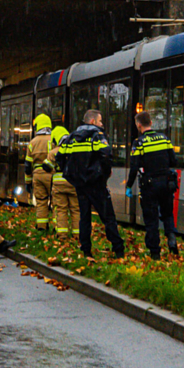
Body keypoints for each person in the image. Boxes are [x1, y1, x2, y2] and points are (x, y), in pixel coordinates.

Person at [57, 109, 125, 259]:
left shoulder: (72, 137)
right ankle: (118, 248)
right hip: (96, 183)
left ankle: (86, 249)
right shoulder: (97, 135)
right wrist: (105, 175)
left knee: (84, 217)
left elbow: (60, 156)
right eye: (100, 121)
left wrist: (71, 175)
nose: (102, 124)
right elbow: (106, 154)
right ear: (93, 121)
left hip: (80, 184)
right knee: (108, 217)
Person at [125, 111, 179, 259]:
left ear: (139, 125)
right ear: (151, 123)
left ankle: (155, 253)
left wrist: (129, 186)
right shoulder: (164, 139)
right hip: (167, 183)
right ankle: (172, 239)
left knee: (151, 219)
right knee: (167, 213)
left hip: (150, 185)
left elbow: (134, 167)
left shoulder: (139, 143)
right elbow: (174, 161)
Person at [44, 125, 79, 237]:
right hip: (74, 183)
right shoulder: (76, 150)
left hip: (59, 185)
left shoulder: (54, 152)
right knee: (76, 209)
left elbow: (47, 167)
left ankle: (62, 234)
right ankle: (77, 234)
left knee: (61, 209)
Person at [25, 114, 54, 231]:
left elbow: (28, 165)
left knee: (41, 201)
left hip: (37, 175)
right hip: (52, 174)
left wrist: (28, 182)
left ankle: (41, 227)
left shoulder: (32, 142)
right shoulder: (54, 140)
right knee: (56, 202)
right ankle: (58, 227)